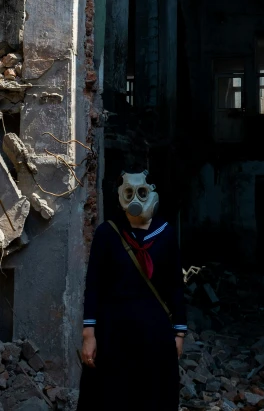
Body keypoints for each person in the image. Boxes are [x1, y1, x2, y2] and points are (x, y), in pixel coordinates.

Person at [77, 171, 187, 410]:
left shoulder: (165, 234)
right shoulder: (107, 233)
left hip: (154, 334)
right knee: (112, 395)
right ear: (121, 197)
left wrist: (179, 333)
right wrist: (89, 334)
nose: (136, 199)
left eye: (142, 193)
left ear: (152, 194)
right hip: (113, 334)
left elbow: (175, 285)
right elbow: (94, 284)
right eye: (129, 193)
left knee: (152, 395)